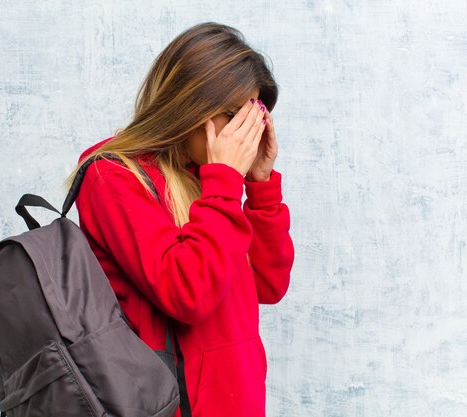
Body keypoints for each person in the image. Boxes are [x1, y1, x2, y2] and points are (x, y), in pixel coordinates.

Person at [64, 21, 294, 417]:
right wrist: (224, 182)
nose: (247, 132)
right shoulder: (113, 177)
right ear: (192, 105)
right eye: (238, 116)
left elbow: (267, 283)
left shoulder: (208, 176)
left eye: (256, 116)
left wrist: (260, 186)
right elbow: (187, 292)